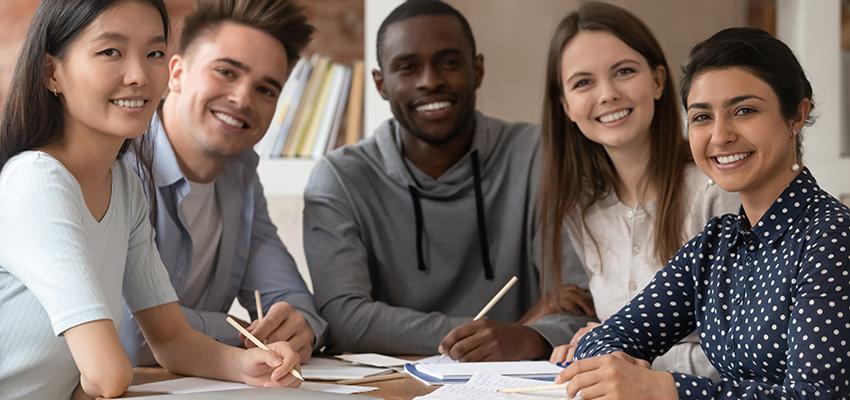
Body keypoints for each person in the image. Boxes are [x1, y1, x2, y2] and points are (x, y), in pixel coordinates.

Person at [0, 1, 300, 399]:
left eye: (154, 53)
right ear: (52, 72)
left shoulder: (122, 184)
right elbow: (108, 375)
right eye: (111, 52)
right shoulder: (37, 181)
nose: (139, 75)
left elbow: (172, 338)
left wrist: (246, 364)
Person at [559, 27, 850, 399]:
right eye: (701, 117)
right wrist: (620, 368)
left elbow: (817, 397)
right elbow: (605, 337)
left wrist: (670, 389)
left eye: (744, 111)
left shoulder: (830, 238)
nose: (720, 135)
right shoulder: (716, 243)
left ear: (796, 115)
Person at [303, 0, 592, 360]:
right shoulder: (340, 178)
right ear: (380, 84)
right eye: (408, 68)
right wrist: (515, 330)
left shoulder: (539, 154)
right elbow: (344, 320)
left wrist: (521, 337)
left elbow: (578, 303)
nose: (431, 80)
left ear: (478, 70)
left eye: (449, 62)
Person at [535, 2, 737, 379]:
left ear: (658, 81)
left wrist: (613, 353)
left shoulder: (717, 189)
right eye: (583, 83)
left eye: (624, 72)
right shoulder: (580, 209)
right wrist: (593, 344)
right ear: (566, 106)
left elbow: (751, 356)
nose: (608, 94)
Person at [118, 0, 325, 366]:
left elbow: (289, 299)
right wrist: (241, 331)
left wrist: (299, 327)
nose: (243, 98)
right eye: (227, 72)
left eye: (266, 89)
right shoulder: (119, 165)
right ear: (176, 73)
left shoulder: (241, 176)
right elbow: (129, 333)